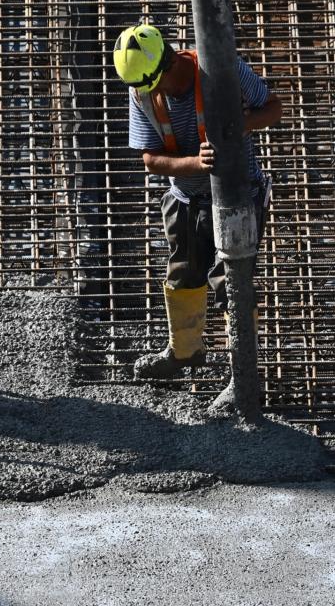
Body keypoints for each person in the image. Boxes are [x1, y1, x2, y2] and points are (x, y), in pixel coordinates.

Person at [111, 23, 282, 384]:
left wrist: (238, 126)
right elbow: (150, 159)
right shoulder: (142, 89)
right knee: (183, 274)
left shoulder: (221, 69)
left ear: (170, 63)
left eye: (153, 85)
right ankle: (185, 351)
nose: (149, 93)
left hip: (238, 195)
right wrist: (196, 164)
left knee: (231, 283)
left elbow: (273, 108)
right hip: (186, 197)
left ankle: (244, 379)